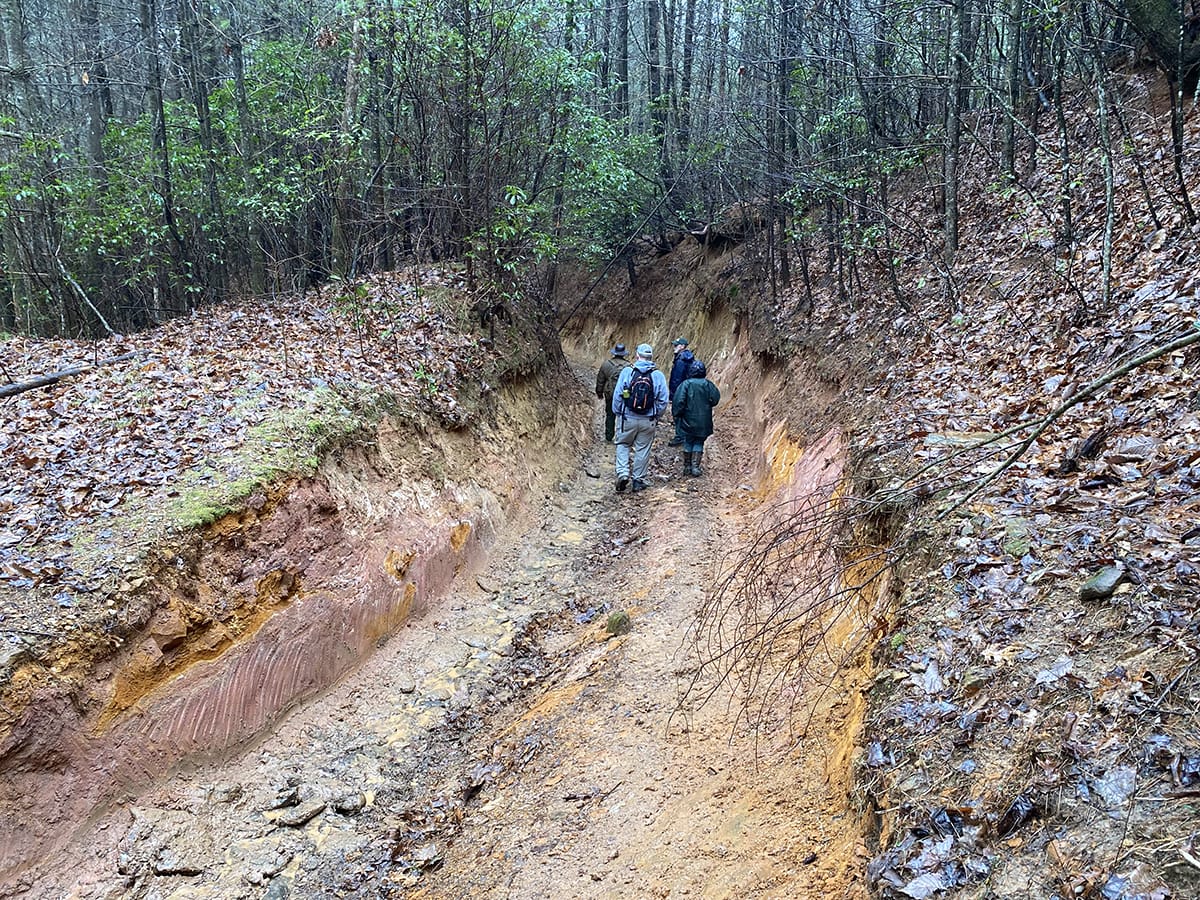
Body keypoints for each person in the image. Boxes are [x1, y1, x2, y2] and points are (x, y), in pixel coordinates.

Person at [611, 343, 670, 493]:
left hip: (627, 418)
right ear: (651, 357)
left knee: (623, 444)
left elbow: (618, 395)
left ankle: (623, 473)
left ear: (637, 355)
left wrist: (618, 412)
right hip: (648, 420)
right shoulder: (658, 375)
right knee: (642, 449)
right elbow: (663, 400)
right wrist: (656, 416)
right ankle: (638, 480)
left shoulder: (627, 372)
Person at [671, 359, 720, 476]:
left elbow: (678, 402)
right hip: (704, 420)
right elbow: (715, 399)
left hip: (687, 419)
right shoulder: (708, 385)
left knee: (688, 440)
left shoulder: (686, 384)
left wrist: (677, 414)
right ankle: (695, 467)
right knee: (699, 441)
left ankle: (687, 466)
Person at [595, 343, 631, 443]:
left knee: (610, 414)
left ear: (614, 353)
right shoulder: (628, 366)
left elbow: (600, 380)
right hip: (624, 394)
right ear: (624, 354)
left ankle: (609, 436)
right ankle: (621, 437)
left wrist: (599, 392)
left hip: (610, 393)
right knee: (623, 414)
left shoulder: (606, 364)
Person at [666, 337, 695, 447]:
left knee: (678, 413)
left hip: (680, 391)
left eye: (676, 345)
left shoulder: (680, 360)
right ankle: (685, 435)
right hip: (687, 390)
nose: (674, 347)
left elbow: (676, 379)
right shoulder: (689, 358)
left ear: (682, 346)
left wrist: (673, 395)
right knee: (685, 413)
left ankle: (680, 437)